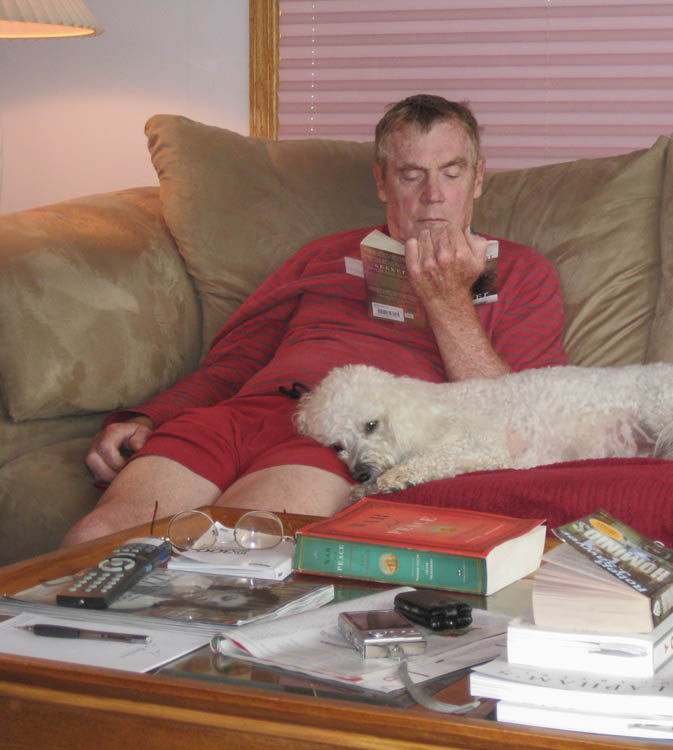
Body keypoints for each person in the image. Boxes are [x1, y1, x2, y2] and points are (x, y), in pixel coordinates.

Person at [62, 94, 567, 547]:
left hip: (349, 434)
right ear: (381, 181)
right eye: (411, 175)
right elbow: (233, 362)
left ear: (477, 179)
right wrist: (150, 417)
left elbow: (514, 420)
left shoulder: (524, 272)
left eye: (451, 173)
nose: (433, 195)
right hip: (247, 414)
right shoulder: (322, 256)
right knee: (97, 541)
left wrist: (448, 297)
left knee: (237, 552)